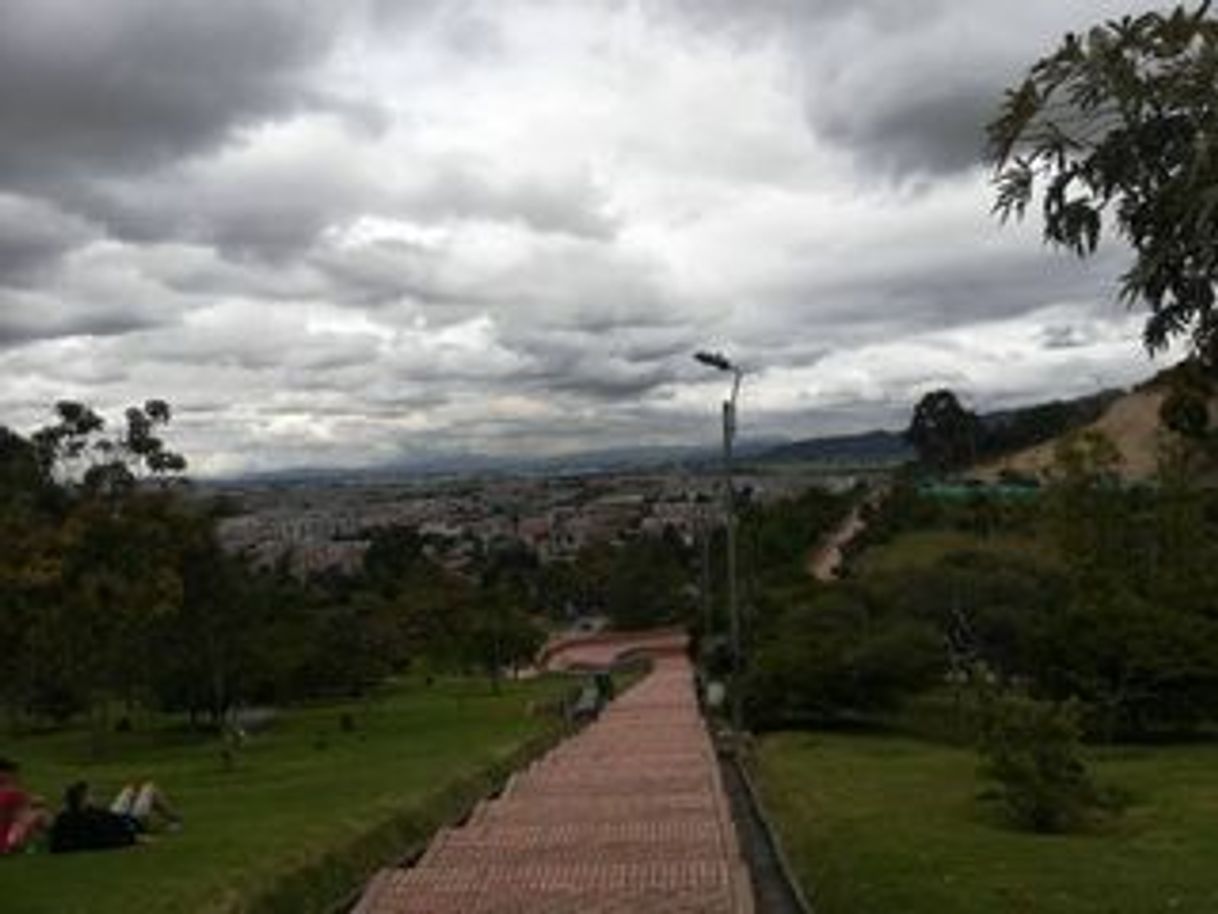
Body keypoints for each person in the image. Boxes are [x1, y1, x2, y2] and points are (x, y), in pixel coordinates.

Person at [50, 780, 180, 854]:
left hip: (116, 816)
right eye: (89, 795)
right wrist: (135, 840)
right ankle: (174, 819)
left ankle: (171, 820)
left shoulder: (68, 816)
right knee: (149, 788)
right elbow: (107, 839)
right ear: (83, 800)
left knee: (130, 790)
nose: (93, 797)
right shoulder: (89, 819)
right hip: (132, 822)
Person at [0, 757, 50, 855]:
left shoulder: (10, 792)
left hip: (8, 833)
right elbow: (22, 812)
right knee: (39, 814)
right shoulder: (11, 793)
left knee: (35, 815)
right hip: (7, 840)